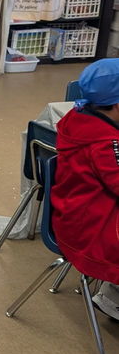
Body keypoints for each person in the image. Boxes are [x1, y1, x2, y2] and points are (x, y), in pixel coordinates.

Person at [51, 58, 119, 319]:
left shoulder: (78, 117)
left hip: (75, 217)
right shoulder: (104, 144)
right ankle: (112, 297)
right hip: (93, 233)